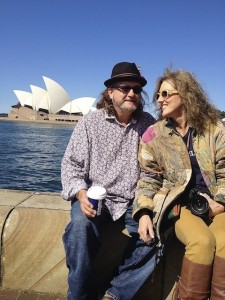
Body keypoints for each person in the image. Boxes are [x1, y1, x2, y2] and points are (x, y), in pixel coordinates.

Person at [61, 62, 159, 300]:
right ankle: (78, 295)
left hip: (133, 200)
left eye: (136, 89)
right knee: (79, 230)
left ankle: (115, 293)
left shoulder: (149, 125)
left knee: (155, 236)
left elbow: (156, 169)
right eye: (125, 88)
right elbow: (71, 165)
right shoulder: (90, 123)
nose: (132, 94)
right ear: (110, 92)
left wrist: (145, 207)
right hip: (95, 199)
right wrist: (81, 194)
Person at [133, 68, 225, 299]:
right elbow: (148, 178)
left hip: (218, 203)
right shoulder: (154, 135)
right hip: (181, 206)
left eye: (165, 94)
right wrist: (144, 211)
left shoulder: (214, 129)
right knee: (201, 242)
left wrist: (221, 202)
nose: (159, 100)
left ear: (185, 94)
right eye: (158, 95)